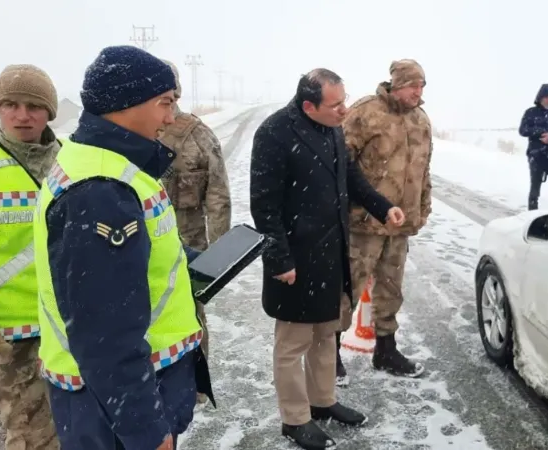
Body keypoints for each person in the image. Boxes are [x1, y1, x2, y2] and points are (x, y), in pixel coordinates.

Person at [33, 45, 213, 450]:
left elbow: (140, 263)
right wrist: (145, 431)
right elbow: (105, 335)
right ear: (124, 104)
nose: (170, 117)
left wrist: (196, 264)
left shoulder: (108, 163)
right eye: (164, 103)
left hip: (115, 395)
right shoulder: (100, 190)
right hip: (109, 404)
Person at [250, 68, 405, 450]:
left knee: (325, 333)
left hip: (330, 251)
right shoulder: (275, 133)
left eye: (344, 99)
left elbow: (351, 178)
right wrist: (280, 260)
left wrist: (383, 208)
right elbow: (264, 206)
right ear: (308, 105)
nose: (345, 109)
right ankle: (295, 419)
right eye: (336, 104)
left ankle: (322, 402)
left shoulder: (333, 127)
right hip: (295, 259)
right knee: (293, 343)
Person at [0, 64, 60, 449]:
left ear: (50, 112)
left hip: (75, 326)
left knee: (87, 431)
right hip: (14, 337)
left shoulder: (73, 161)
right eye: (10, 104)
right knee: (31, 439)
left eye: (34, 105)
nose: (22, 115)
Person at [337, 59, 432, 384]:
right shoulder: (365, 112)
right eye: (412, 86)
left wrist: (423, 206)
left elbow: (424, 169)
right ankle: (330, 354)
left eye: (422, 86)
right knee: (347, 287)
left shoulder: (421, 120)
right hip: (363, 224)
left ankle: (386, 351)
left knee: (391, 289)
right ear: (396, 84)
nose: (418, 93)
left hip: (399, 225)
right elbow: (340, 163)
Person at [158, 59, 232, 404]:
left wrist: (220, 256)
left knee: (191, 313)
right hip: (141, 248)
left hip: (188, 244)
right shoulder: (124, 135)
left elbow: (218, 195)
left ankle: (195, 383)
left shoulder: (197, 135)